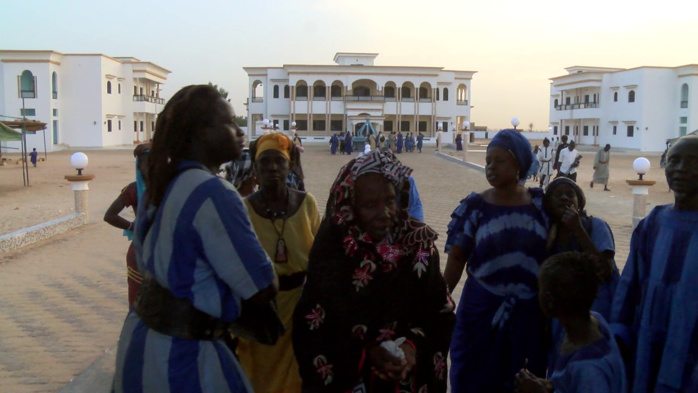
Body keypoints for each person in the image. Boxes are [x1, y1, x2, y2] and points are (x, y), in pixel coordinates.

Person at [111, 85, 278, 393]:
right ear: (202, 133)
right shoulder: (213, 192)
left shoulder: (161, 186)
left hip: (143, 342)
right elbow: (262, 287)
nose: (240, 131)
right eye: (229, 123)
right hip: (184, 357)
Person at [293, 150, 456, 393]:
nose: (385, 213)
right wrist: (366, 350)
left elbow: (439, 312)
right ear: (349, 204)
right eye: (370, 205)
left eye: (390, 201)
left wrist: (412, 347)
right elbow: (314, 322)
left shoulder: (419, 245)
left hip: (408, 378)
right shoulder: (333, 248)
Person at [444, 129, 548, 392]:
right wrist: (441, 297)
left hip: (529, 315)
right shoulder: (475, 207)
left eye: (498, 161)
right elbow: (457, 257)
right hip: (480, 311)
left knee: (523, 378)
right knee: (473, 374)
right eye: (488, 161)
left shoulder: (541, 205)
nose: (490, 167)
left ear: (518, 164)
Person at [611, 135, 698, 393]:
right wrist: (619, 331)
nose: (680, 169)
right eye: (674, 161)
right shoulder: (654, 222)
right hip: (646, 344)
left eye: (692, 162)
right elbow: (629, 284)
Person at [238, 133, 321, 393]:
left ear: (290, 166)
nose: (273, 167)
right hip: (260, 312)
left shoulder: (307, 204)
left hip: (301, 309)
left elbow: (321, 256)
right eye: (265, 161)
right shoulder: (243, 209)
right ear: (256, 168)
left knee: (299, 376)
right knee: (259, 376)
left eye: (279, 161)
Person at [514, 252, 627, 393]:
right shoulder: (594, 321)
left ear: (548, 300)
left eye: (540, 288)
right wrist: (549, 386)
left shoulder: (590, 371)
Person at [543, 177, 620, 368]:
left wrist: (577, 229)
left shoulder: (595, 226)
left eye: (570, 194)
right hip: (559, 320)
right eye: (557, 195)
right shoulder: (546, 234)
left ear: (580, 202)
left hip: (594, 314)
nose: (564, 198)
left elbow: (605, 270)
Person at [103, 143, 150, 306]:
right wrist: (132, 227)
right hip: (140, 251)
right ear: (139, 166)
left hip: (163, 250)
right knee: (139, 299)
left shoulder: (168, 187)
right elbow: (109, 215)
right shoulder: (134, 190)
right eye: (146, 163)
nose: (150, 168)